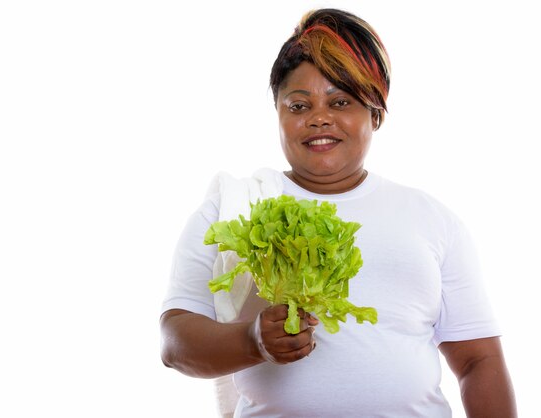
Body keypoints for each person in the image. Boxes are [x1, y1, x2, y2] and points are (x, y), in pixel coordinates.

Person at [159, 8, 517, 418]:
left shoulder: (430, 219)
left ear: (375, 113)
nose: (319, 118)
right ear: (277, 112)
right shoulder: (233, 212)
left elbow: (478, 362)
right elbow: (175, 344)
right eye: (298, 106)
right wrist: (252, 341)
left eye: (340, 101)